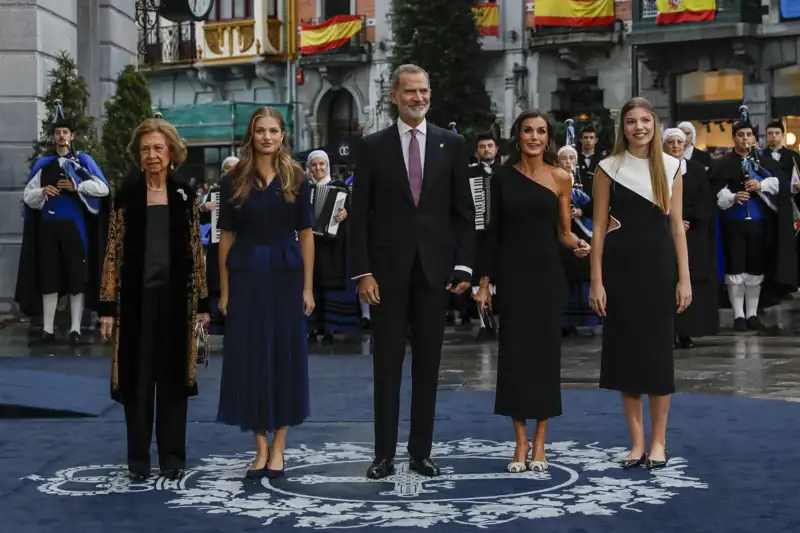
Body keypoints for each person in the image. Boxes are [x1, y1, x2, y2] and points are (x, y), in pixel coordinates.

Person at [350, 64, 475, 480]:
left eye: (423, 91)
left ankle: (421, 452)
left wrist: (463, 264)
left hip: (434, 273)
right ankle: (383, 454)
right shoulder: (371, 147)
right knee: (385, 366)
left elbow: (464, 213)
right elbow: (360, 218)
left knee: (428, 366)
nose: (418, 98)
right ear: (394, 96)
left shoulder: (452, 144)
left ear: (430, 94)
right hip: (385, 276)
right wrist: (363, 273)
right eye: (410, 92)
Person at [474, 110, 590, 473]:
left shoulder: (561, 177)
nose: (535, 137)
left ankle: (540, 443)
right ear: (518, 135)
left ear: (549, 137)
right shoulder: (502, 178)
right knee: (514, 359)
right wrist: (483, 283)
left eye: (541, 131)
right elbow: (492, 234)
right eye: (528, 131)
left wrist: (579, 245)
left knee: (543, 360)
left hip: (547, 277)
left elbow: (563, 231)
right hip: (512, 277)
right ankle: (519, 442)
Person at [98, 117, 210, 481]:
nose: (152, 155)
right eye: (145, 149)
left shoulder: (184, 194)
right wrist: (108, 307)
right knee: (137, 383)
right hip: (135, 304)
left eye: (158, 148)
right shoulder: (127, 195)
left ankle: (173, 458)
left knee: (174, 382)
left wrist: (203, 304)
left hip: (177, 303)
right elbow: (113, 249)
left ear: (172, 152)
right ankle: (138, 461)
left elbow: (196, 248)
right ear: (138, 154)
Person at [589, 97, 691, 471]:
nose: (639, 128)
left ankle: (659, 442)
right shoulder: (607, 167)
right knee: (626, 357)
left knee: (658, 358)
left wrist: (685, 277)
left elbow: (676, 226)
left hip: (659, 269)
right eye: (631, 121)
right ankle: (636, 444)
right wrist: (596, 280)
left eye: (645, 120)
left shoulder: (672, 165)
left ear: (655, 124)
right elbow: (598, 227)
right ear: (623, 127)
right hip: (619, 270)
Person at [216, 107, 315, 480]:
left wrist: (307, 287)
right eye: (261, 131)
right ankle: (259, 447)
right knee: (250, 356)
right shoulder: (233, 179)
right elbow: (225, 237)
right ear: (251, 134)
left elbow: (307, 235)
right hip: (245, 274)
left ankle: (280, 447)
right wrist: (224, 291)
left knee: (284, 355)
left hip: (286, 274)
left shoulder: (297, 177)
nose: (267, 137)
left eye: (274, 130)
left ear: (283, 135)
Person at [16, 101, 110, 346]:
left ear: (72, 136)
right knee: (49, 277)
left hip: (75, 228)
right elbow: (28, 195)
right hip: (48, 228)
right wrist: (43, 192)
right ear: (52, 137)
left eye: (65, 132)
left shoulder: (83, 162)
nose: (61, 136)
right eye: (57, 133)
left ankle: (75, 329)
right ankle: (47, 329)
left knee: (76, 278)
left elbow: (103, 188)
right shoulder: (43, 165)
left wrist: (77, 186)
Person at [710, 113, 796, 330]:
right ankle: (738, 315)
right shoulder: (724, 163)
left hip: (760, 222)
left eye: (748, 135)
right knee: (736, 266)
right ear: (734, 138)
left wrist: (762, 185)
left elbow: (781, 186)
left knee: (756, 267)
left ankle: (752, 313)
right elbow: (713, 192)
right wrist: (731, 197)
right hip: (733, 222)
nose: (745, 139)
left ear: (754, 138)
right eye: (740, 135)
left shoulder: (763, 161)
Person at [663, 128, 719, 348]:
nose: (676, 146)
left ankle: (686, 332)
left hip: (693, 233)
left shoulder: (696, 170)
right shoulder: (656, 170)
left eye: (679, 142)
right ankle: (668, 331)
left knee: (690, 281)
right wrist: (671, 221)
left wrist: (689, 221)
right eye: (671, 142)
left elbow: (706, 200)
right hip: (665, 232)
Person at [306, 149, 359, 342]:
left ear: (327, 166)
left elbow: (351, 211)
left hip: (332, 246)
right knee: (311, 283)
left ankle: (330, 328)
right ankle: (311, 328)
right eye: (314, 164)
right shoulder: (304, 189)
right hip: (310, 244)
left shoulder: (340, 188)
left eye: (322, 164)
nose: (318, 168)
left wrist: (346, 214)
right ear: (310, 167)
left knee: (330, 284)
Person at [557, 143, 598, 335]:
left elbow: (596, 204)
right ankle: (565, 322)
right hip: (561, 234)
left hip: (582, 234)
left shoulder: (587, 180)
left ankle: (584, 320)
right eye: (564, 158)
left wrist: (581, 210)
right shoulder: (553, 179)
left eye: (571, 158)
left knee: (582, 276)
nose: (568, 162)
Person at [199, 156, 239, 335]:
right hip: (219, 245)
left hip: (242, 246)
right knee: (217, 283)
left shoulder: (248, 189)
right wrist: (204, 208)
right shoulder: (215, 191)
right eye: (227, 168)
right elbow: (203, 219)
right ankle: (219, 325)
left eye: (234, 168)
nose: (230, 171)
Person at [469, 133, 502, 341]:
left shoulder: (506, 173)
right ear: (477, 151)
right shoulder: (469, 174)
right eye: (482, 146)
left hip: (502, 233)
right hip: (478, 233)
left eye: (490, 146)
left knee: (501, 275)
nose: (486, 150)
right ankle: (485, 323)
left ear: (496, 149)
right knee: (478, 274)